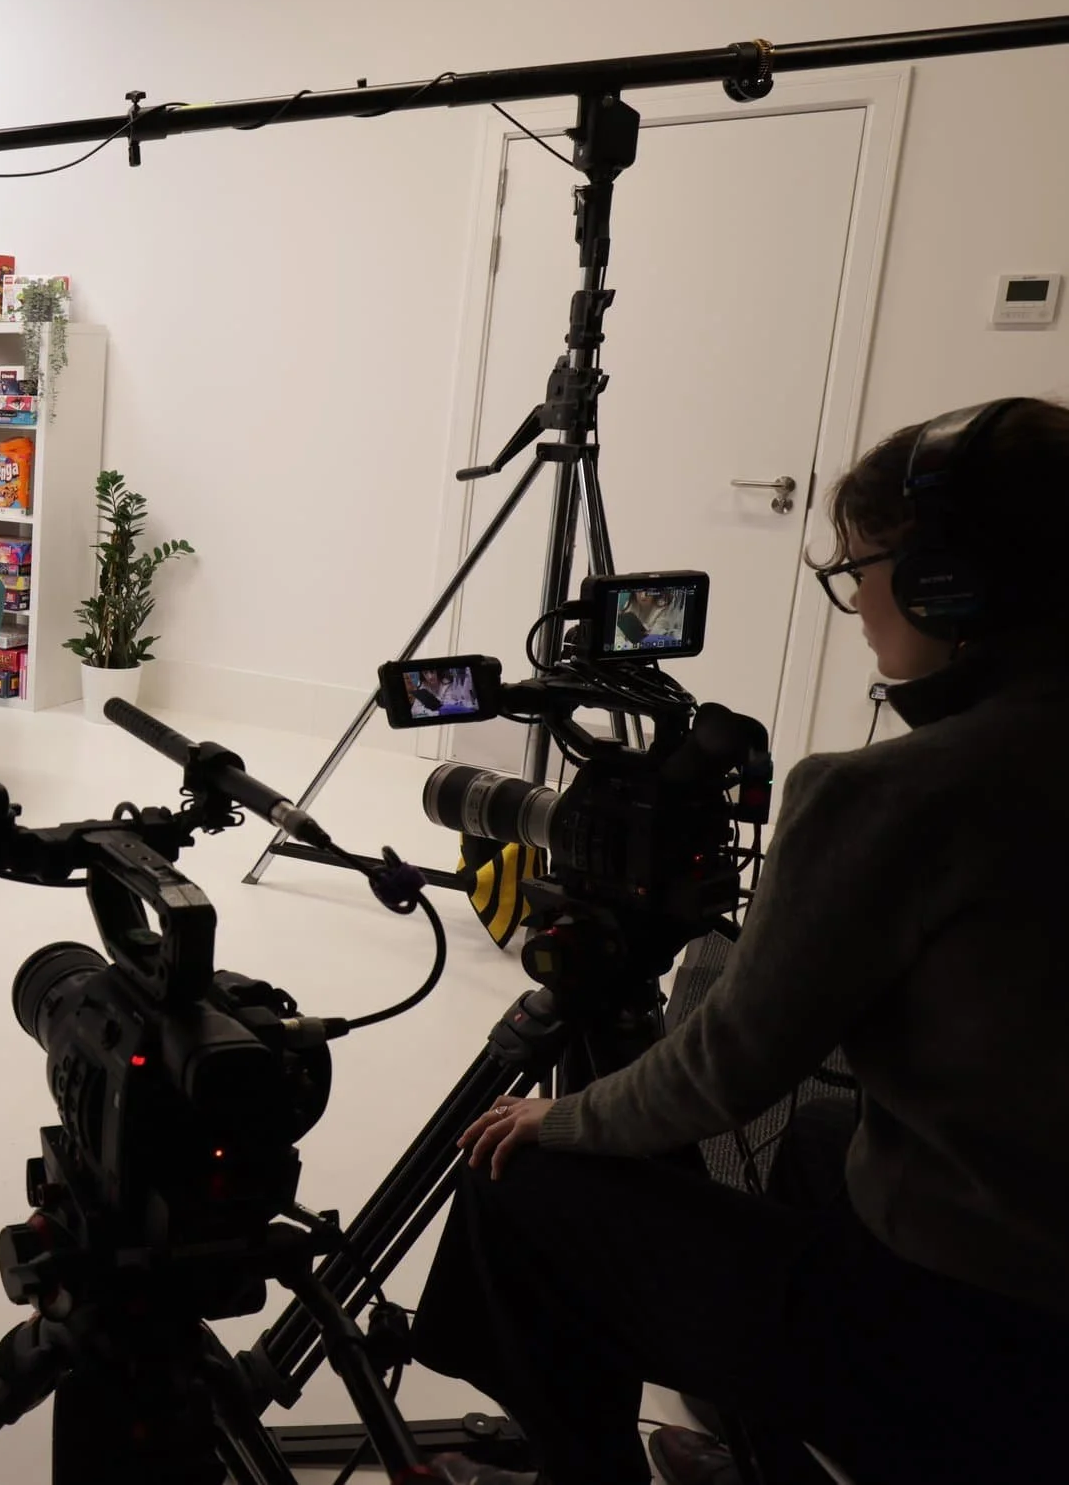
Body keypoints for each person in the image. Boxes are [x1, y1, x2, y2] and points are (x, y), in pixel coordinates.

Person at [410, 398, 1069, 1485]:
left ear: (949, 582)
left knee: (512, 1174)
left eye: (859, 568)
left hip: (978, 1339)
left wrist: (556, 1111)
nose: (854, 602)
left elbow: (720, 1069)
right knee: (812, 1144)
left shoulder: (892, 793)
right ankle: (766, 1450)